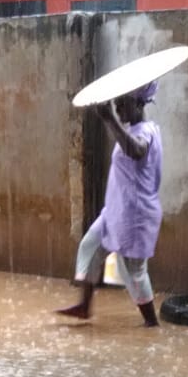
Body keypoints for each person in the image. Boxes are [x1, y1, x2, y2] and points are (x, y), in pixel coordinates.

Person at [56, 79, 163, 327]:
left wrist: (109, 119)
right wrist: (111, 120)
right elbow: (127, 143)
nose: (118, 109)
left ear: (138, 104)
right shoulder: (133, 130)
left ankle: (151, 324)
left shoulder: (147, 131)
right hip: (116, 209)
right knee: (90, 246)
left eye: (122, 104)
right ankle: (84, 306)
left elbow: (136, 150)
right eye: (116, 104)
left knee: (133, 271)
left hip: (135, 214)